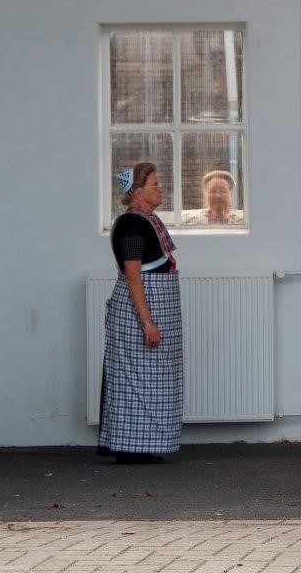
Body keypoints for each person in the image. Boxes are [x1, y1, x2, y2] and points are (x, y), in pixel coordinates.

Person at [98, 162, 183, 464]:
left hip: (154, 309)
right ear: (137, 192)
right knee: (135, 379)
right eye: (155, 185)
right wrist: (147, 322)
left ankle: (143, 444)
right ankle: (130, 447)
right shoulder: (132, 225)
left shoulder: (147, 220)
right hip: (139, 314)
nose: (161, 189)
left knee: (152, 378)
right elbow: (134, 276)